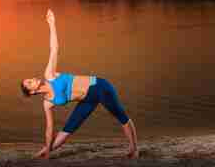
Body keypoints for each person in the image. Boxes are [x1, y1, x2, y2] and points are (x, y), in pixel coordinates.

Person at [21, 9, 138, 159]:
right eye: (30, 82)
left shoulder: (49, 75)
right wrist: (49, 152)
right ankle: (41, 155)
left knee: (122, 118)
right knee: (64, 134)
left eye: (30, 78)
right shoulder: (47, 103)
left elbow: (54, 49)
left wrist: (51, 24)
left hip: (99, 87)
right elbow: (49, 129)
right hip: (86, 101)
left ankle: (134, 149)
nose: (33, 79)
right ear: (31, 92)